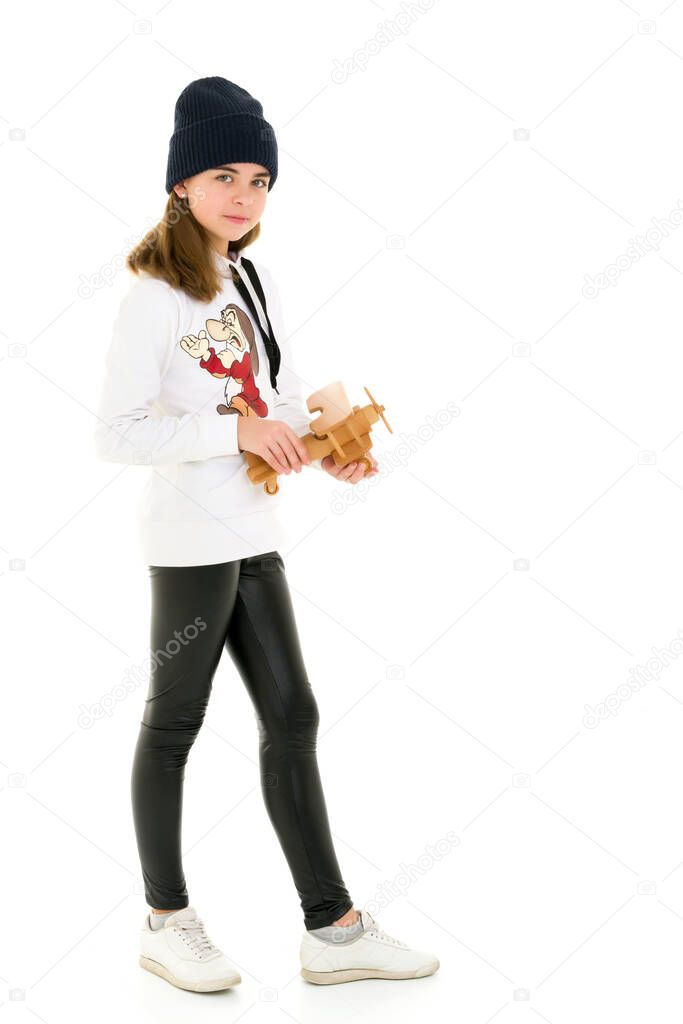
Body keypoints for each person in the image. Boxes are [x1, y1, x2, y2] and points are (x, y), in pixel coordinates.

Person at [94, 76, 439, 992]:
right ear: (181, 186)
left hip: (251, 528)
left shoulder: (255, 275)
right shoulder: (153, 297)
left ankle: (332, 930)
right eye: (222, 176)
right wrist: (234, 432)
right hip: (188, 541)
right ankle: (165, 921)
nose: (243, 196)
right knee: (175, 723)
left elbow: (271, 402)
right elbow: (115, 433)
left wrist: (321, 450)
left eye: (258, 179)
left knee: (292, 715)